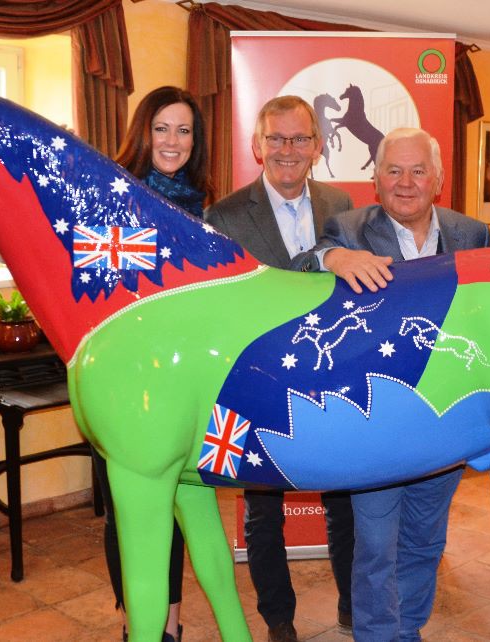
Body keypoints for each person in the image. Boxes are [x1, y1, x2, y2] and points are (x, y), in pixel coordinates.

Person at [293, 127, 490, 641]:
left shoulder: (471, 234)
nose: (406, 183)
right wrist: (331, 258)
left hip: (445, 423)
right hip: (375, 424)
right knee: (377, 546)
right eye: (394, 171)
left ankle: (408, 631)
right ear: (376, 180)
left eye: (417, 170)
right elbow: (297, 269)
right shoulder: (348, 227)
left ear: (439, 179)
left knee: (425, 541)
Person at [205, 95, 355, 642]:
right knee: (262, 513)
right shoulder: (223, 216)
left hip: (331, 378)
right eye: (276, 139)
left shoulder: (342, 205)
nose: (287, 151)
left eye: (299, 139)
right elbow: (221, 306)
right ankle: (279, 622)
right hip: (258, 383)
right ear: (257, 145)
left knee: (346, 503)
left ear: (317, 147)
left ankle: (352, 608)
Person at [95, 85, 213, 642]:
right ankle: (135, 622)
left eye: (184, 130)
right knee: (133, 511)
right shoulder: (114, 196)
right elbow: (101, 292)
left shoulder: (199, 204)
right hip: (127, 382)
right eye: (162, 128)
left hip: (181, 379)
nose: (173, 140)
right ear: (143, 131)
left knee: (179, 506)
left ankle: (170, 622)